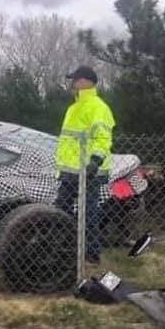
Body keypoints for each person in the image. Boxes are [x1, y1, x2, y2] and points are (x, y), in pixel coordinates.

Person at [54, 65, 115, 264]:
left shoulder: (99, 107)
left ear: (86, 81)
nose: (72, 83)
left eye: (75, 79)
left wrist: (95, 162)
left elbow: (103, 138)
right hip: (70, 170)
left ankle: (91, 253)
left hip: (90, 171)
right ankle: (64, 247)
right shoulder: (73, 108)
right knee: (61, 208)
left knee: (88, 212)